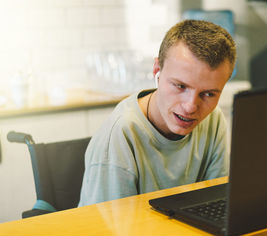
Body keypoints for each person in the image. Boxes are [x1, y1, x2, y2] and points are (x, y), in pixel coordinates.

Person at [78, 19, 236, 206]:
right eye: (180, 86)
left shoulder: (214, 120)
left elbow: (219, 202)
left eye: (208, 94)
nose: (191, 106)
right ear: (156, 70)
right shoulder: (120, 134)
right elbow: (112, 231)